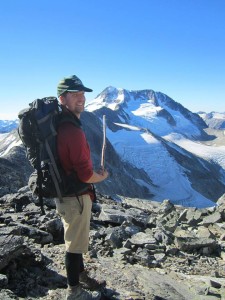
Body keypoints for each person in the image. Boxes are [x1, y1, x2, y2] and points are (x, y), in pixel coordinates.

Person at [55, 75, 108, 300]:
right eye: (75, 94)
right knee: (74, 245)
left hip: (67, 194)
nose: (81, 98)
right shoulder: (73, 132)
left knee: (77, 239)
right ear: (62, 99)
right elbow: (86, 175)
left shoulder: (61, 125)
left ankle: (82, 276)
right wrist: (102, 176)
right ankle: (74, 291)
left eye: (83, 94)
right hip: (75, 196)